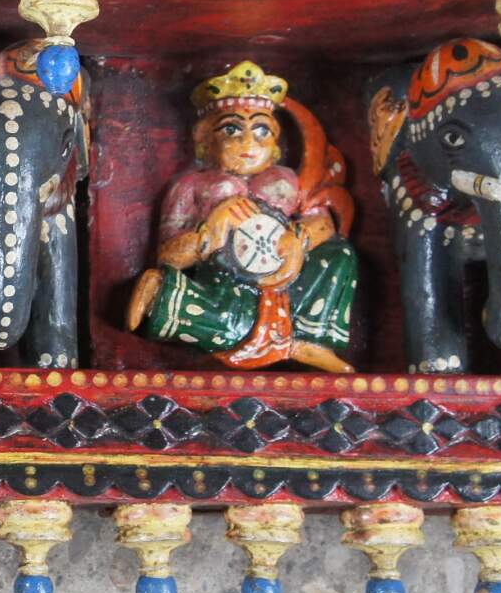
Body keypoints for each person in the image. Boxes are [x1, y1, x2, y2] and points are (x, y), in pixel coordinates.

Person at [126, 61, 357, 372]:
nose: (248, 143)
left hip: (287, 281)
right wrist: (210, 231)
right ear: (205, 140)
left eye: (262, 130)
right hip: (226, 288)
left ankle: (309, 340)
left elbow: (324, 222)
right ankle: (162, 294)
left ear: (275, 145)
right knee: (230, 325)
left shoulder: (287, 182)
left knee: (341, 254)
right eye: (231, 129)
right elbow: (167, 255)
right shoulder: (191, 186)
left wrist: (298, 240)